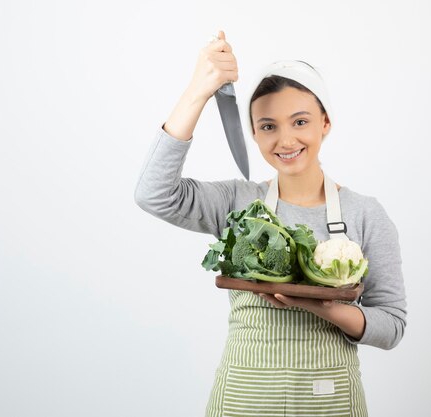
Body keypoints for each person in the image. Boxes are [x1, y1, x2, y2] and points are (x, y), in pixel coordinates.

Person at [134, 30, 407, 417]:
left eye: (300, 121)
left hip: (327, 401)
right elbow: (153, 193)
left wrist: (324, 308)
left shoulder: (365, 213)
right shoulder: (237, 201)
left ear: (325, 122)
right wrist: (198, 90)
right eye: (267, 126)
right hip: (244, 399)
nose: (285, 139)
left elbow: (391, 324)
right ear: (254, 133)